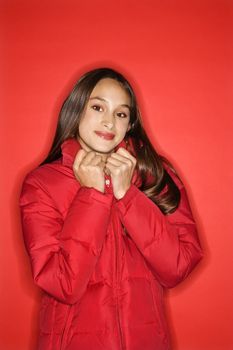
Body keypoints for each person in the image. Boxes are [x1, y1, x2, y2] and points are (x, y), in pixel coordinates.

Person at [19, 67, 203, 350]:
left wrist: (127, 194)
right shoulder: (41, 183)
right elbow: (62, 284)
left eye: (120, 113)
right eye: (97, 107)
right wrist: (92, 194)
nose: (108, 122)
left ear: (129, 123)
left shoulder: (154, 173)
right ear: (77, 110)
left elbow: (177, 267)